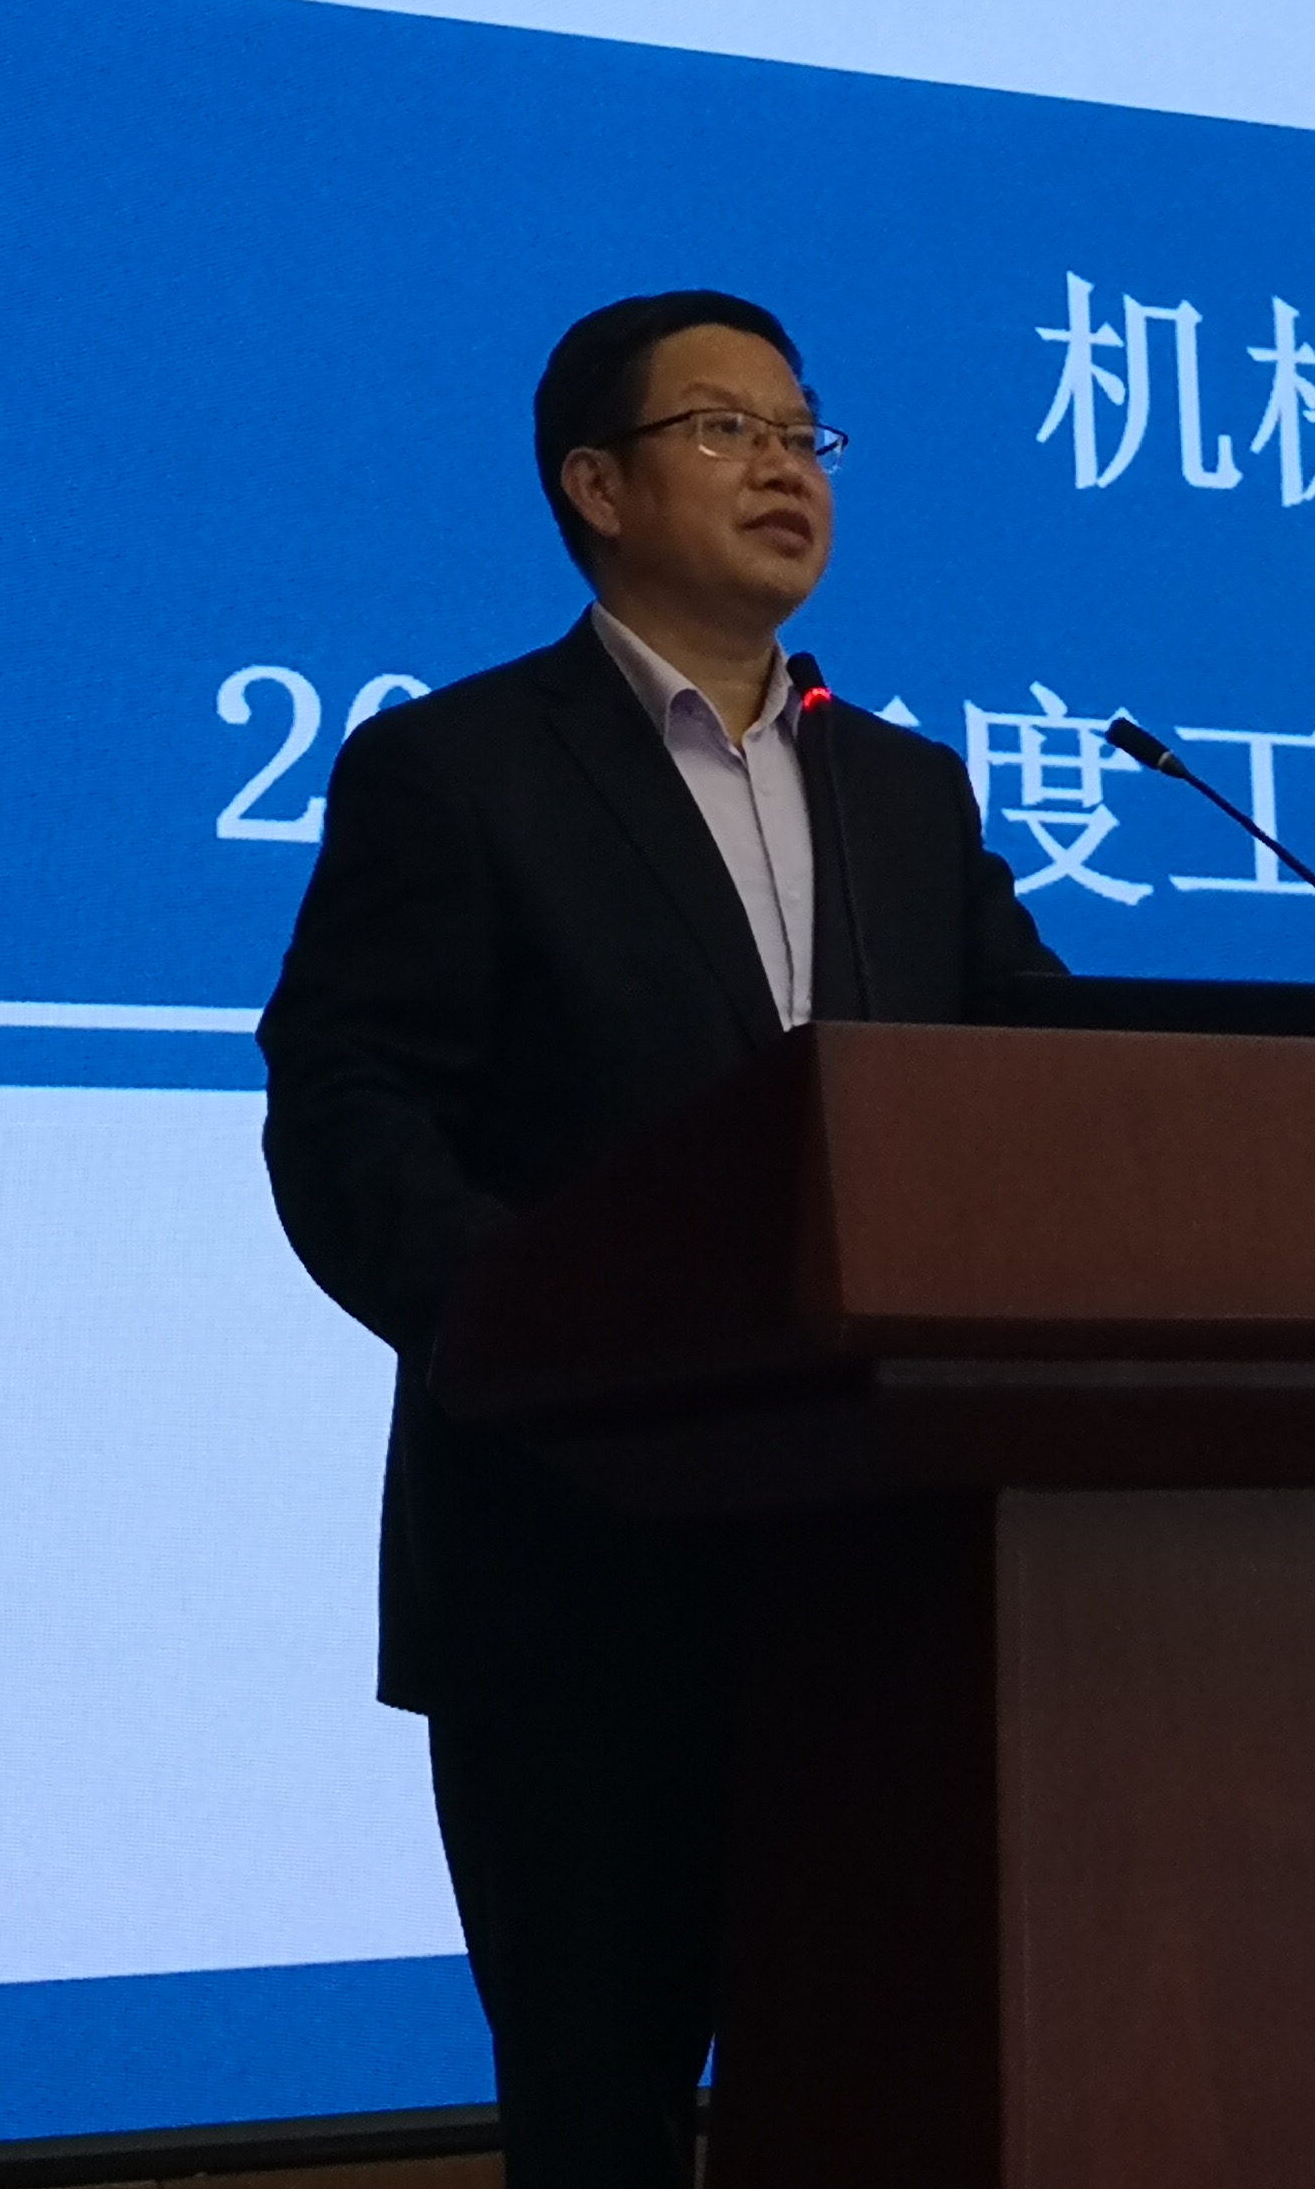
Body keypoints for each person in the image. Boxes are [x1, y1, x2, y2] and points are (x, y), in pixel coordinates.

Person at [258, 289, 1062, 2189]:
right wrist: (553, 1331)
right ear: (597, 487)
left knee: (886, 2097)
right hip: (580, 1562)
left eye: (802, 433)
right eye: (725, 430)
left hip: (883, 1570)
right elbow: (351, 1116)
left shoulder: (906, 791)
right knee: (603, 2120)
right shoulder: (459, 768)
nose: (785, 467)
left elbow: (1042, 1090)